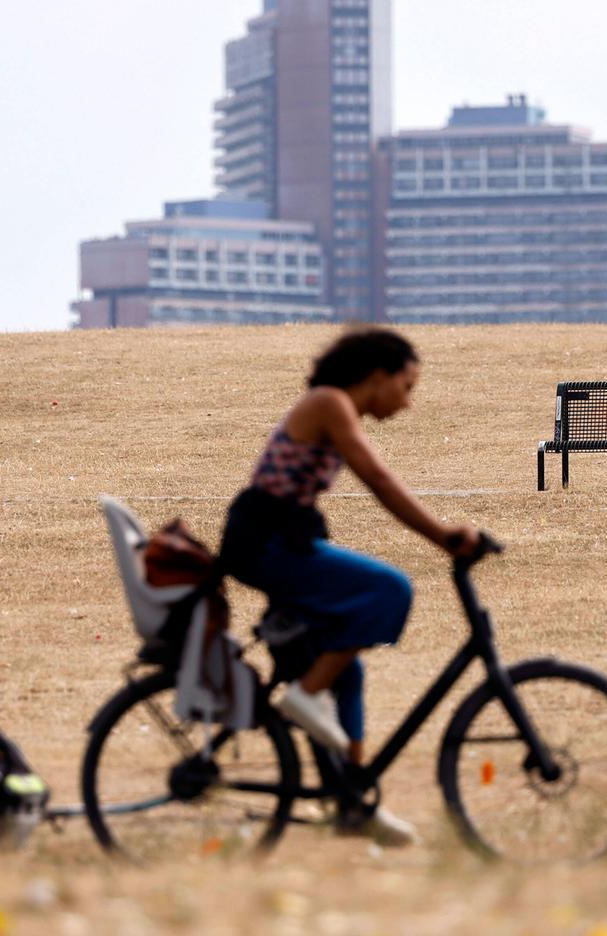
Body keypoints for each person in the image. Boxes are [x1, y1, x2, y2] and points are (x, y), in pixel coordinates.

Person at [218, 328, 479, 847]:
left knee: (348, 670)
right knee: (390, 590)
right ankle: (305, 694)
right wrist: (442, 536)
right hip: (266, 542)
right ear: (377, 376)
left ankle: (351, 801)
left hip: (281, 541)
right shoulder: (330, 402)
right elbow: (378, 479)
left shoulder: (335, 406)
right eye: (406, 386)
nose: (408, 402)